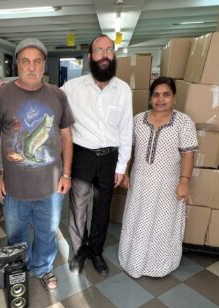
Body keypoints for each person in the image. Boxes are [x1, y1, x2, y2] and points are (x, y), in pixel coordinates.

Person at [0, 38, 74, 291]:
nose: (31, 67)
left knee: (48, 233)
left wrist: (67, 173)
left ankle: (43, 269)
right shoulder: (0, 95)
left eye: (37, 61)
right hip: (15, 187)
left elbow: (66, 136)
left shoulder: (58, 95)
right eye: (26, 61)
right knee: (16, 235)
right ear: (17, 64)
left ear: (44, 64)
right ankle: (18, 270)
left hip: (51, 187)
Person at [60, 34, 133, 276]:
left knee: (103, 207)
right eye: (98, 50)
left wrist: (121, 167)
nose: (104, 54)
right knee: (78, 206)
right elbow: (48, 100)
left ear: (114, 55)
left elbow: (126, 130)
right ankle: (79, 250)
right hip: (82, 156)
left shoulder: (123, 90)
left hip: (110, 159)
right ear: (90, 57)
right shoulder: (72, 88)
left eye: (109, 50)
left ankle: (96, 251)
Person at [118, 76, 198, 278]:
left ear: (174, 97)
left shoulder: (183, 122)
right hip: (140, 182)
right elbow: (128, 149)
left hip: (168, 185)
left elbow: (188, 153)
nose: (160, 99)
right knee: (138, 221)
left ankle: (158, 264)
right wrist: (125, 172)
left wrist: (184, 182)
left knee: (162, 224)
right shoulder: (138, 120)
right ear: (150, 98)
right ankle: (133, 259)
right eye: (156, 95)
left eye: (166, 95)